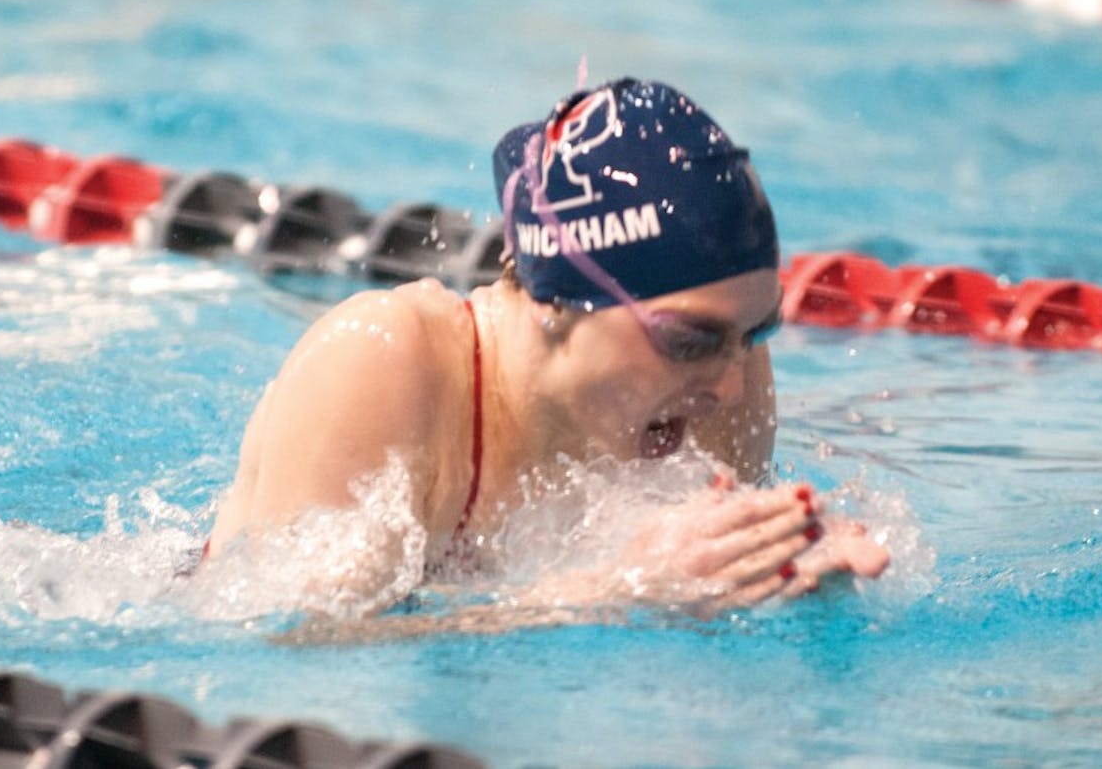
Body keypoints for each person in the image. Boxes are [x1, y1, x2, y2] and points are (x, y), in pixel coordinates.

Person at [207, 77, 888, 622]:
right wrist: (605, 593)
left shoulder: (718, 387)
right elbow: (297, 640)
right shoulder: (385, 363)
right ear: (556, 302)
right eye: (689, 339)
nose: (731, 385)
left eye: (757, 332)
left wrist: (784, 576)